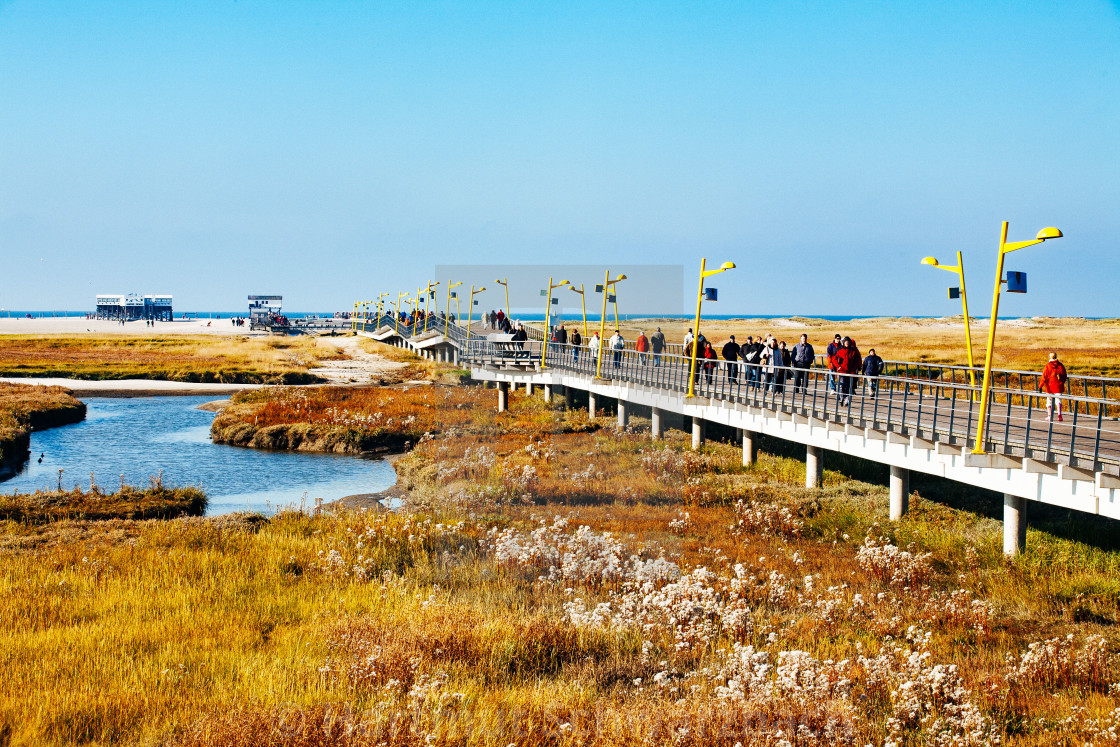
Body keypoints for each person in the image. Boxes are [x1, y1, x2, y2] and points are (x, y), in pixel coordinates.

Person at [832, 336, 862, 405]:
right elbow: (834, 359)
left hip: (850, 372)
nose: (847, 343)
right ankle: (841, 398)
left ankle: (847, 400)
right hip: (841, 371)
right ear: (843, 343)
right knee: (842, 386)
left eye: (848, 342)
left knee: (849, 386)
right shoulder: (839, 350)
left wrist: (856, 367)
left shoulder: (853, 351)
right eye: (846, 342)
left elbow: (858, 360)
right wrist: (838, 366)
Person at [1040, 352, 1068, 421]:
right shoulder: (1060, 365)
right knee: (1058, 400)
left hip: (1049, 386)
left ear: (1050, 357)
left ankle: (1049, 416)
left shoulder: (1048, 366)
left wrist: (1040, 386)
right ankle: (1059, 415)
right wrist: (1062, 382)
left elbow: (1044, 377)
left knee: (1049, 401)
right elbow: (1064, 375)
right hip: (1058, 385)